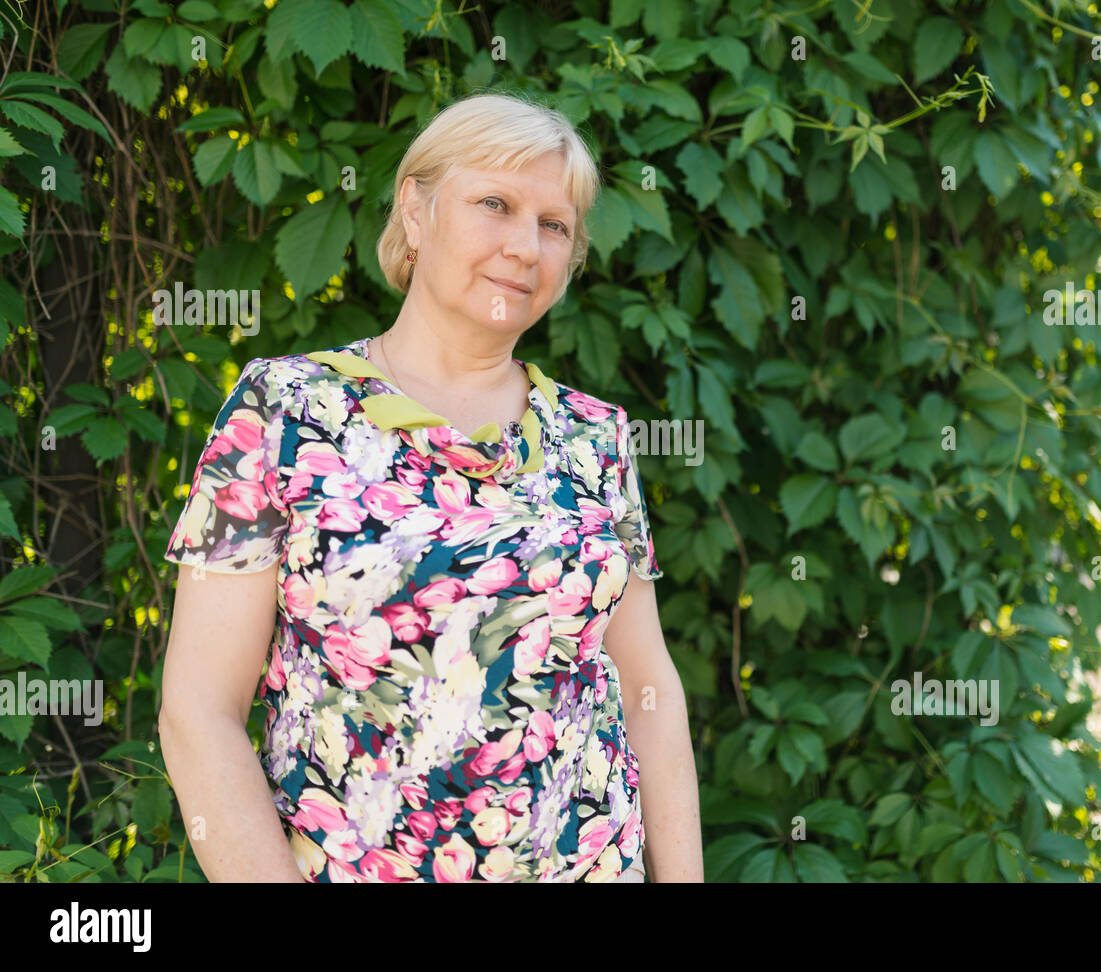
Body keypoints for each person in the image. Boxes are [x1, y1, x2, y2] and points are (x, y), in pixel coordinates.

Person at [157, 92, 703, 883]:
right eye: (495, 204)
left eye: (554, 226)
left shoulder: (596, 438)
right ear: (415, 211)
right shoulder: (285, 410)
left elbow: (649, 686)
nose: (525, 246)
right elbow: (198, 713)